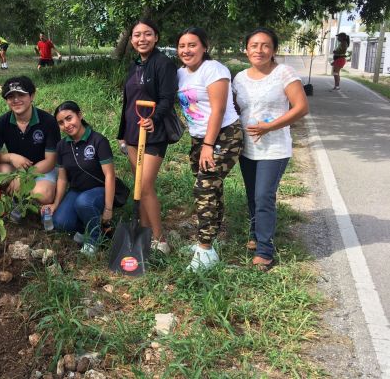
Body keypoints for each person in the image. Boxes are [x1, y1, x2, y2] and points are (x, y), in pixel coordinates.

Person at [233, 28, 309, 271]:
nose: (259, 50)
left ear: (274, 50)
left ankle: (265, 250)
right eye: (254, 45)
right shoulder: (240, 78)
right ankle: (255, 234)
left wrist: (269, 126)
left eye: (265, 45)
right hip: (248, 148)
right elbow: (236, 109)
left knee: (264, 196)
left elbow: (301, 107)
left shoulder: (284, 73)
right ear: (246, 50)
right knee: (252, 194)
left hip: (274, 148)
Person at [177, 27, 243, 271]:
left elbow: (218, 109)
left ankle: (204, 249)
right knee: (211, 189)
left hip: (223, 135)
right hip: (198, 138)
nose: (186, 50)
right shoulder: (180, 73)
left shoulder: (214, 70)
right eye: (182, 46)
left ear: (204, 47)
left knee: (204, 188)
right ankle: (209, 241)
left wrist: (208, 145)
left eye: (192, 45)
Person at [117, 18, 180, 254]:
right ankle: (143, 231)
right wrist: (122, 133)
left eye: (147, 34)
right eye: (136, 35)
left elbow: (167, 98)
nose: (141, 39)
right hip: (133, 133)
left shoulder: (163, 64)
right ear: (131, 39)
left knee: (145, 186)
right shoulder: (135, 65)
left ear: (156, 37)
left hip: (153, 134)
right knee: (137, 186)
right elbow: (128, 102)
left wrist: (153, 119)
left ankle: (159, 239)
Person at [42, 101, 115, 255]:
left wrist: (108, 208)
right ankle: (86, 226)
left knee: (84, 202)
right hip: (77, 190)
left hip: (99, 189)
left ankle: (94, 238)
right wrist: (55, 204)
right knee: (60, 221)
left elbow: (109, 175)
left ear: (80, 115)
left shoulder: (98, 141)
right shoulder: (62, 146)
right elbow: (62, 179)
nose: (66, 125)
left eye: (69, 118)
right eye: (61, 122)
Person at [0, 76, 60, 209]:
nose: (16, 100)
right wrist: (10, 156)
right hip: (17, 168)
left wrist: (25, 177)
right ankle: (14, 199)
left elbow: (51, 161)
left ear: (32, 96)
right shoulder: (2, 122)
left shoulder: (48, 121)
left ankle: (21, 199)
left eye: (21, 95)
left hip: (43, 169)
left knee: (43, 194)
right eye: (11, 96)